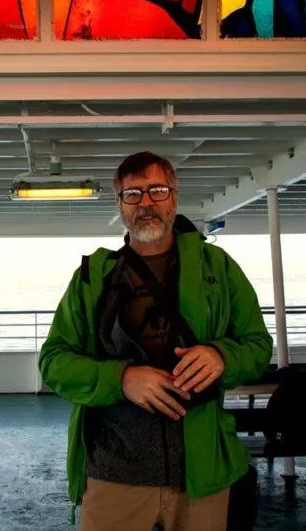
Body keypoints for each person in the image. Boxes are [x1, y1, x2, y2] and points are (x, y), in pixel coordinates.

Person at [38, 151, 272, 530]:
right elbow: (53, 362)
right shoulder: (92, 278)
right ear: (120, 205)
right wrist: (121, 379)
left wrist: (221, 356)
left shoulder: (220, 269)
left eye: (157, 190)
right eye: (132, 194)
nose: (146, 202)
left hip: (202, 471)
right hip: (114, 473)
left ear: (174, 197)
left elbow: (258, 345)